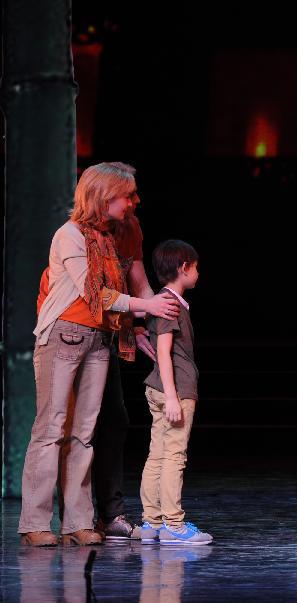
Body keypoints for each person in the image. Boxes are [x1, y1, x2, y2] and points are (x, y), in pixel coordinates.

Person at [19, 163, 179, 546]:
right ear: (103, 196)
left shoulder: (116, 235)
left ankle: (78, 522)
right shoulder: (70, 235)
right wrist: (147, 308)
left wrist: (138, 319)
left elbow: (128, 281)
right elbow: (97, 295)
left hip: (100, 340)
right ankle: (35, 524)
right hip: (63, 335)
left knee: (85, 434)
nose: (133, 202)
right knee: (51, 429)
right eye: (127, 195)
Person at [139, 240, 212, 545]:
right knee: (173, 456)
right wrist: (171, 396)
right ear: (184, 268)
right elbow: (164, 352)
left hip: (159, 387)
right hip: (175, 390)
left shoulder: (165, 301)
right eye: (195, 267)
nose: (197, 272)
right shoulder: (169, 304)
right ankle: (173, 524)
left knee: (158, 454)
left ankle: (151, 522)